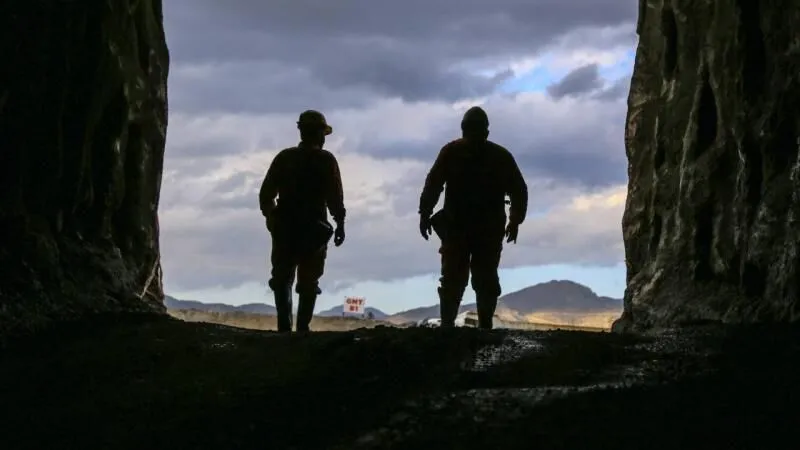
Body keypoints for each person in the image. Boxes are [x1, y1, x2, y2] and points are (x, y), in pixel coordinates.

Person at [417, 106, 528, 329]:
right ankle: (465, 326)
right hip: (467, 228)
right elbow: (519, 190)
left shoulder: (455, 152)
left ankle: (458, 326)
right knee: (465, 278)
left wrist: (425, 213)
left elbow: (433, 184)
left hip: (474, 229)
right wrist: (514, 221)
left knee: (469, 278)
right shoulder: (495, 156)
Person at [258, 110, 346, 332]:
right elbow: (335, 198)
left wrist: (273, 219)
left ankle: (285, 329)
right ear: (319, 134)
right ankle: (302, 330)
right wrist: (340, 224)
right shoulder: (326, 161)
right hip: (313, 230)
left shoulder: (284, 158)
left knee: (282, 278)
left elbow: (266, 195)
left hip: (286, 228)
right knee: (308, 281)